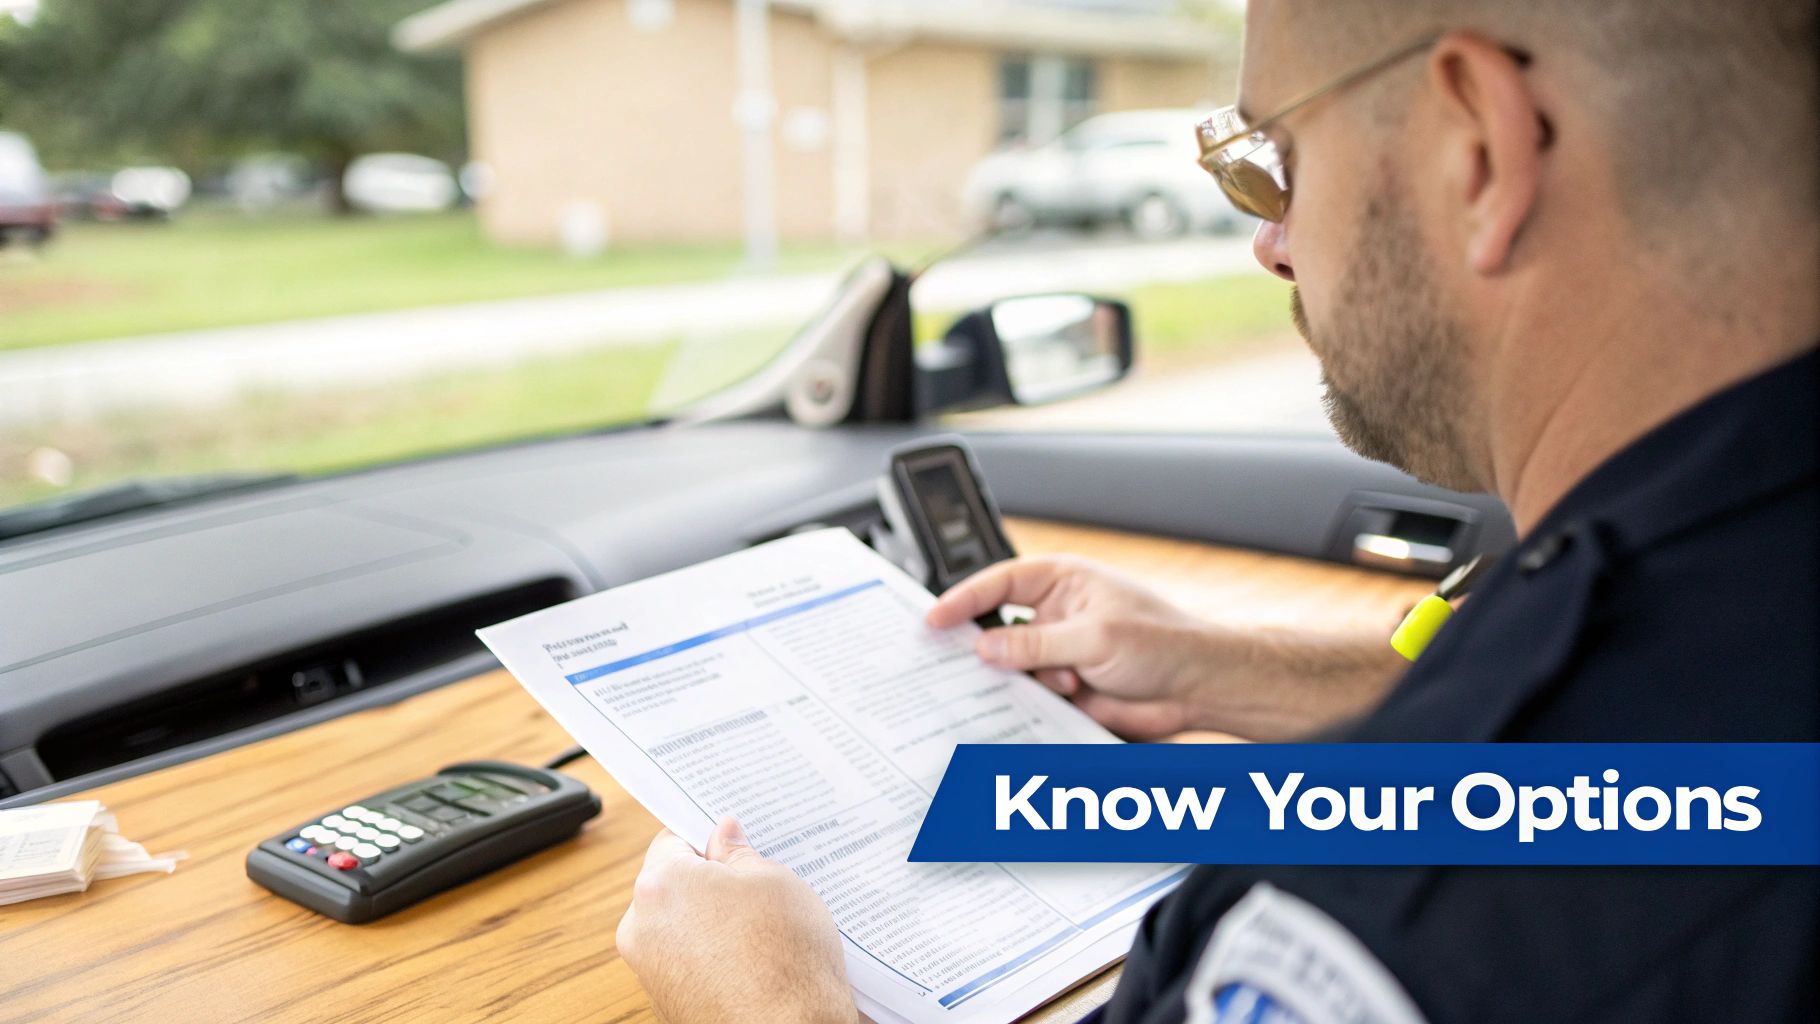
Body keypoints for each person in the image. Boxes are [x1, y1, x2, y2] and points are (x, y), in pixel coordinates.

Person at [613, 0, 1820, 1019]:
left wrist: (772, 999)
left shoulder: (1403, 917)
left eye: (1274, 157)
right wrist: (1234, 668)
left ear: (1478, 150)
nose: (1269, 241)